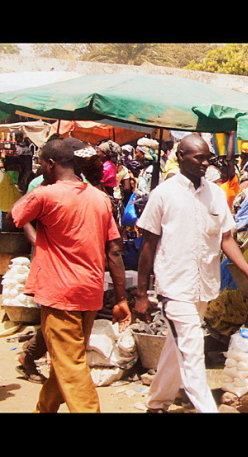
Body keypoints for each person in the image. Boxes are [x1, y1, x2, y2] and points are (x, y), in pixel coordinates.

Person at [134, 134, 248, 413]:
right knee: (192, 349)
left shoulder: (215, 194)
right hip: (174, 286)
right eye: (199, 158)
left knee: (177, 346)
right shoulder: (164, 194)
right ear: (181, 157)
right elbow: (148, 245)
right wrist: (141, 293)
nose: (205, 163)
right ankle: (207, 408)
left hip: (204, 285)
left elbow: (226, 239)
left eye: (207, 158)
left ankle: (157, 404)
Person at [8, 137, 131, 413]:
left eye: (41, 163)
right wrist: (121, 298)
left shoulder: (45, 194)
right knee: (67, 361)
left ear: (50, 164)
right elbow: (114, 251)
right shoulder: (100, 198)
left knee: (70, 365)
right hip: (89, 292)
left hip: (59, 292)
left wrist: (38, 232)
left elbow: (14, 217)